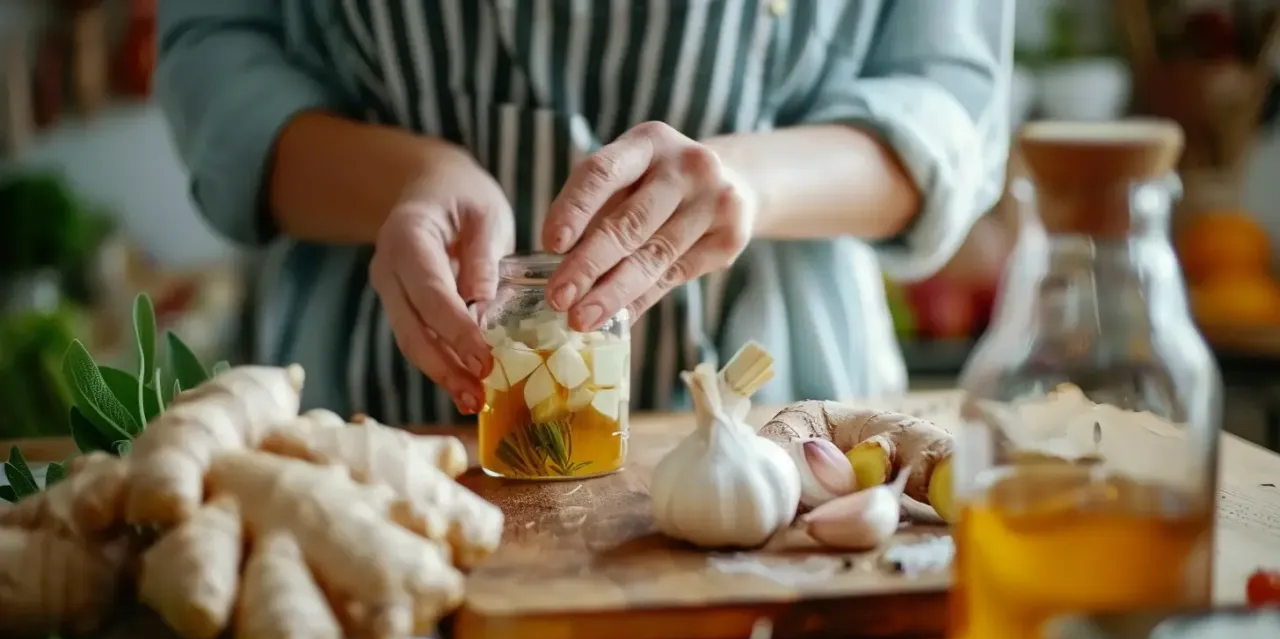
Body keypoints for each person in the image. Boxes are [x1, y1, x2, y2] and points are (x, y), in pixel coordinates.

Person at [156, 0, 1013, 425]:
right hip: (370, 396)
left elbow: (950, 96)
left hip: (781, 397)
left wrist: (744, 183)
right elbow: (214, 55)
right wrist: (403, 179)